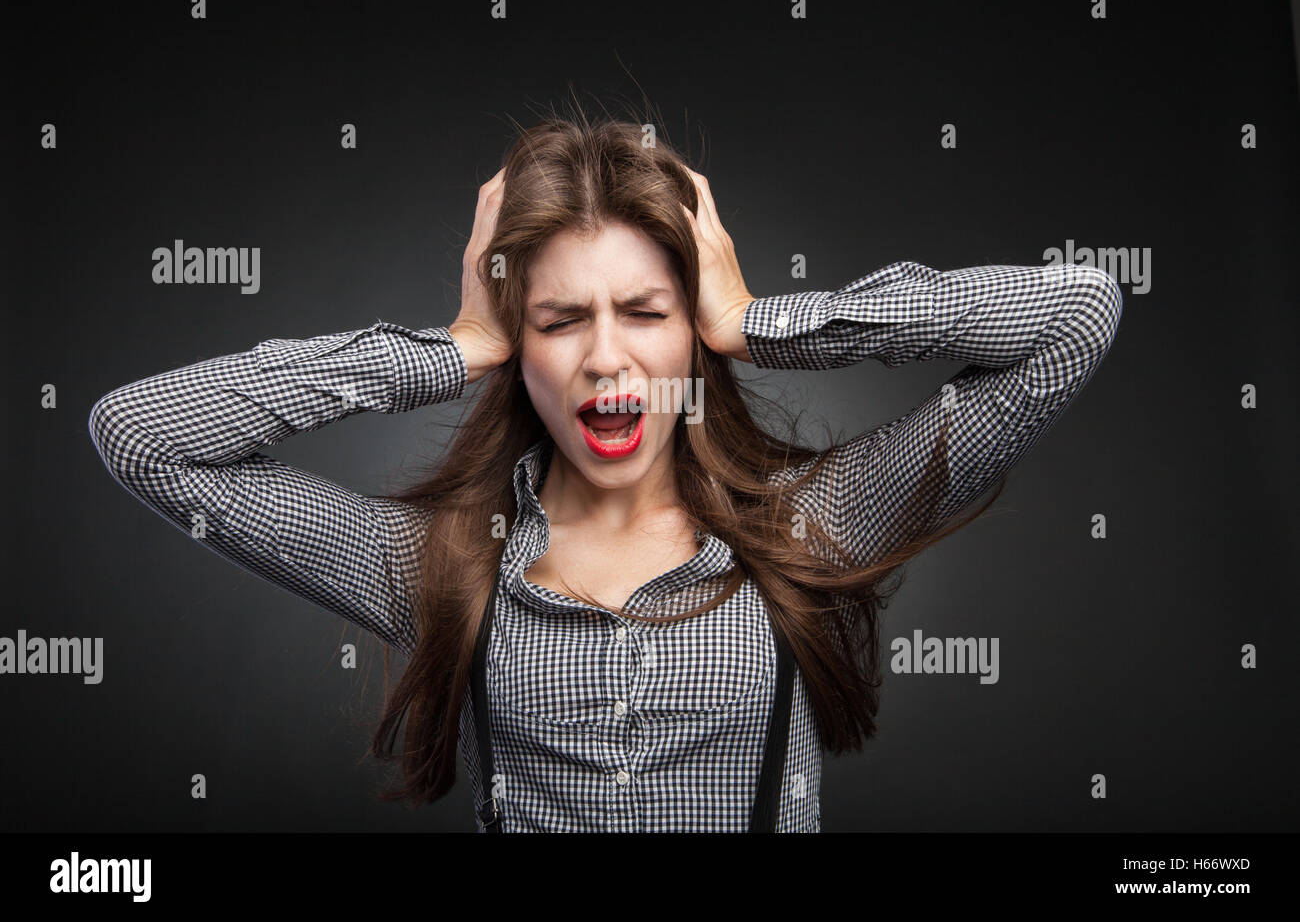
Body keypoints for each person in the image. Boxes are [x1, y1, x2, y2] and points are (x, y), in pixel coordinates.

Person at [88, 108, 1123, 832]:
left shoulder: (816, 521)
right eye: (558, 319)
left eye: (645, 311)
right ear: (520, 345)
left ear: (690, 335)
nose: (605, 357)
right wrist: (450, 346)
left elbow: (1076, 316)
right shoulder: (445, 562)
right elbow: (143, 434)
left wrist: (756, 322)